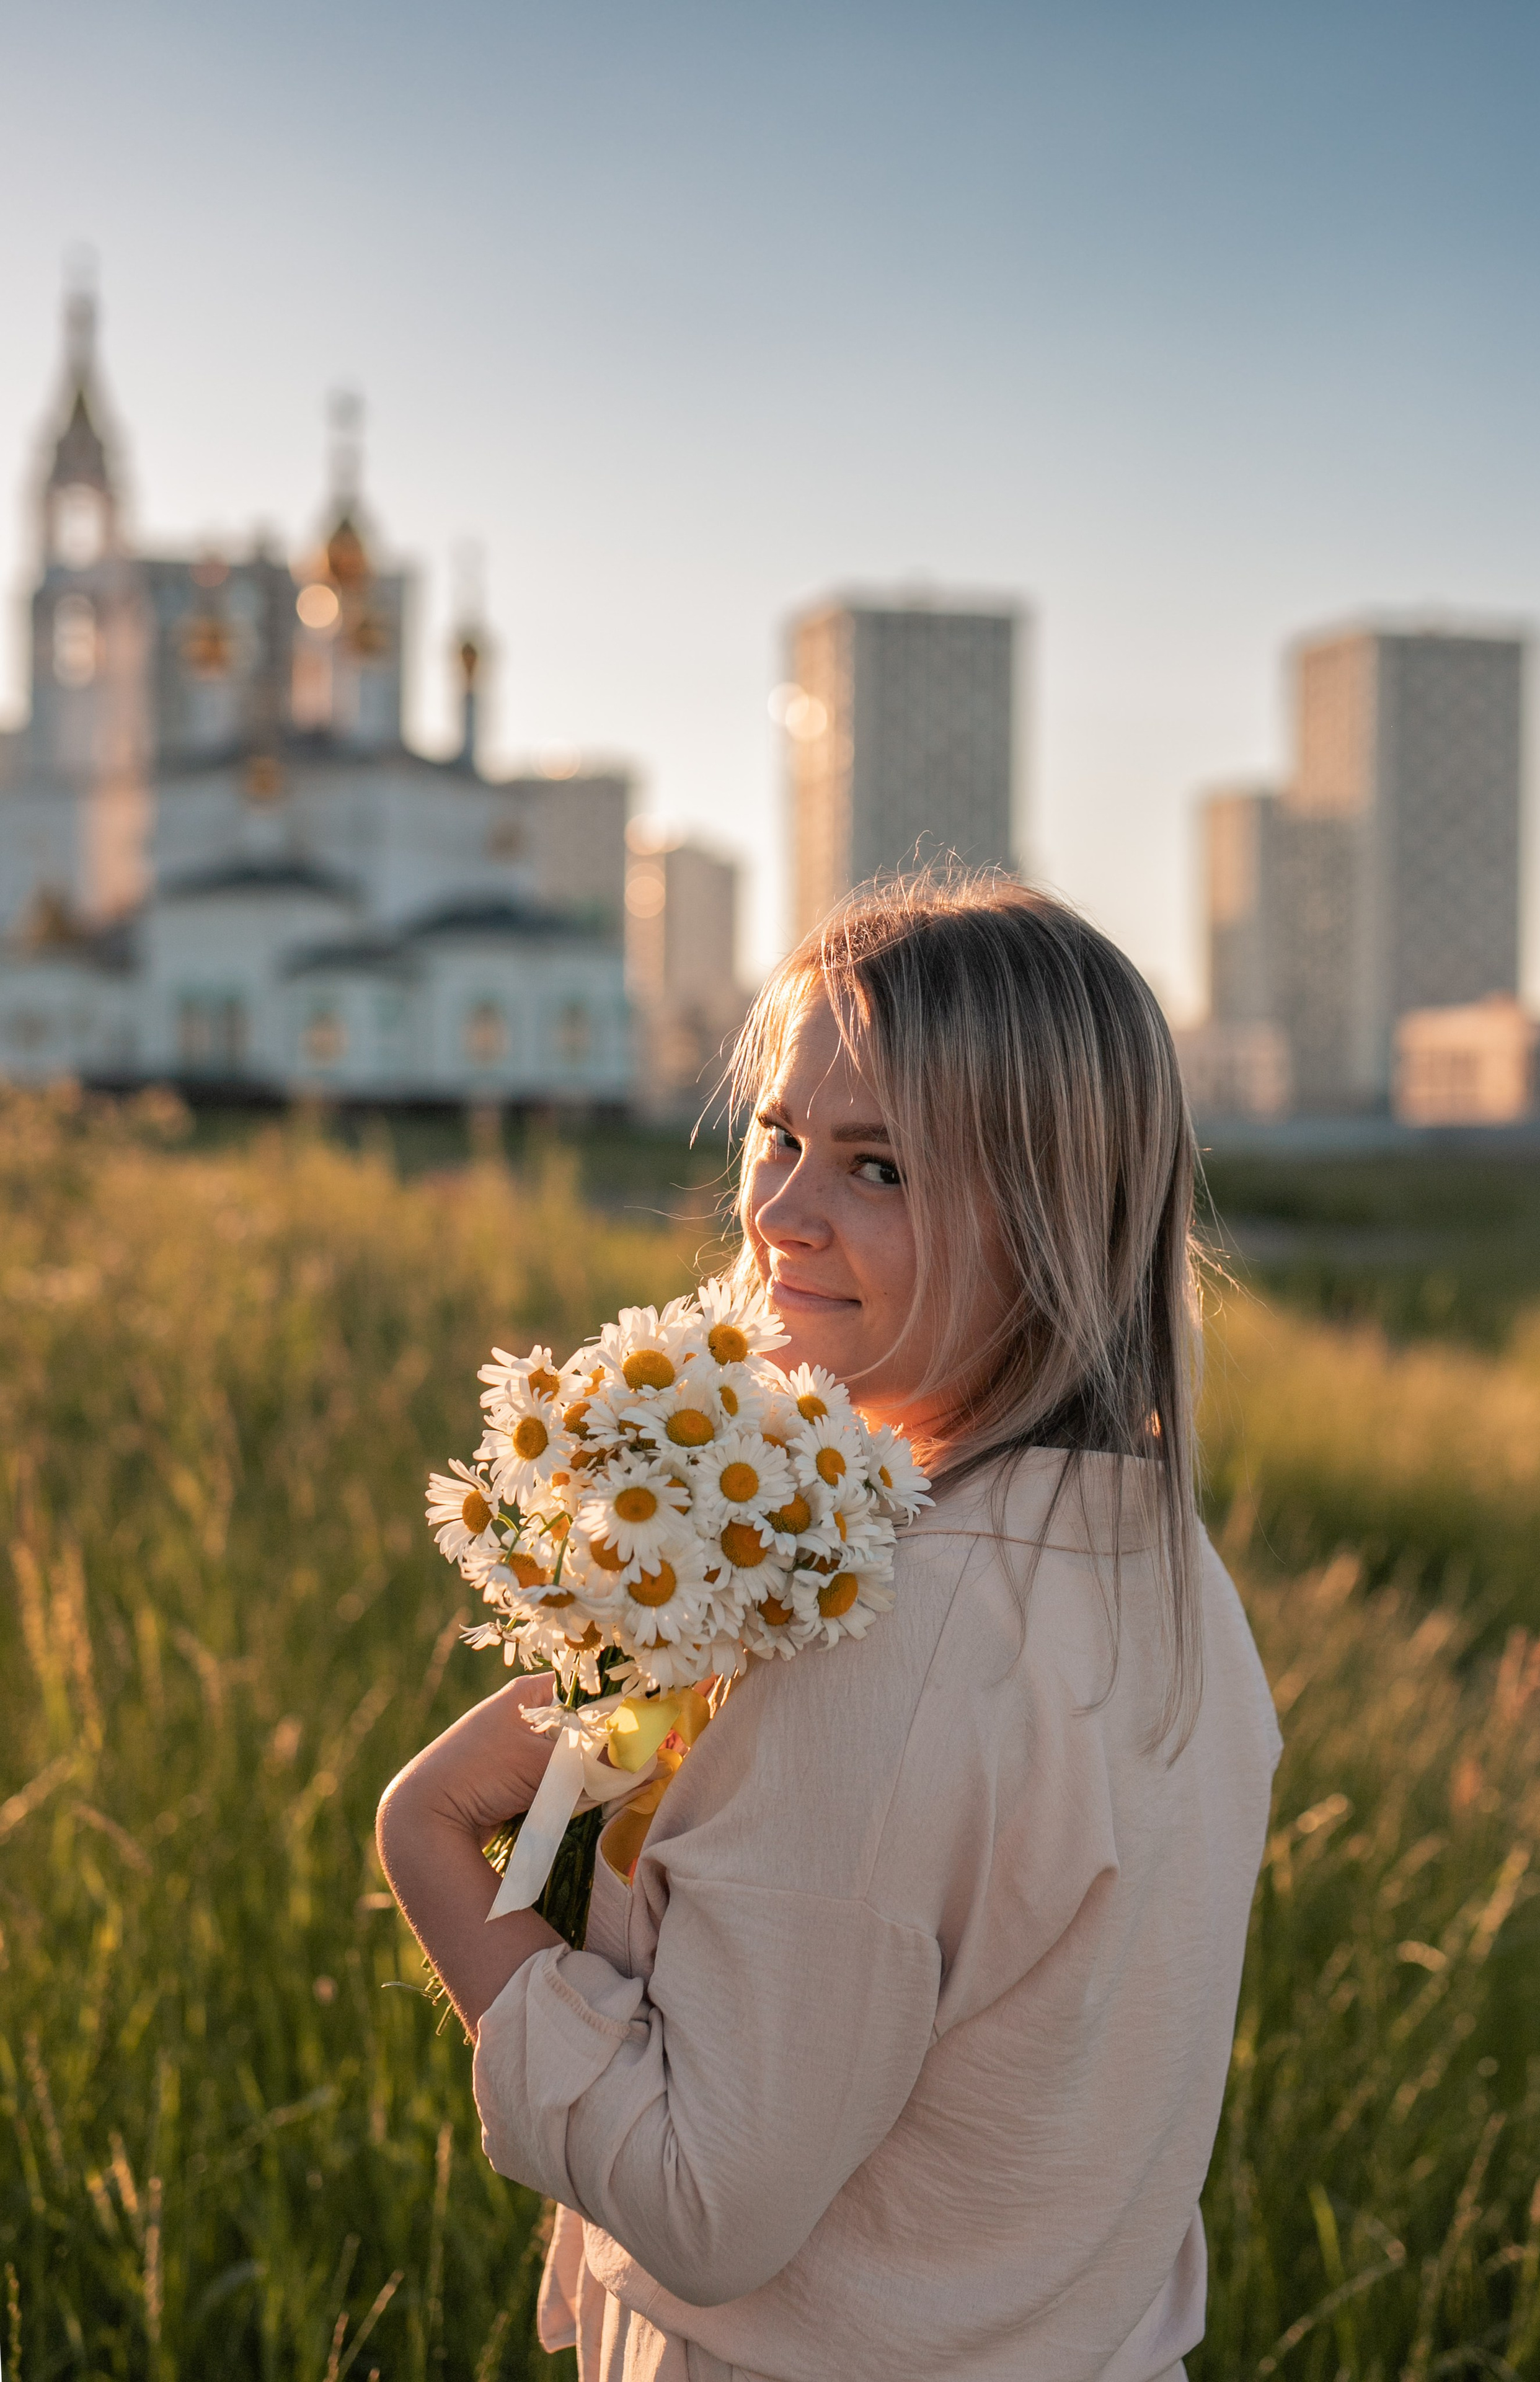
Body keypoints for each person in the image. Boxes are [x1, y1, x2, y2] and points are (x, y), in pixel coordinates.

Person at [378, 874, 1281, 2382]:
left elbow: (704, 2203)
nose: (781, 1211)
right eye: (779, 1134)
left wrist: (424, 1839)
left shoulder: (884, 1631)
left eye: (878, 1167)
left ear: (1054, 1216)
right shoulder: (1161, 1569)